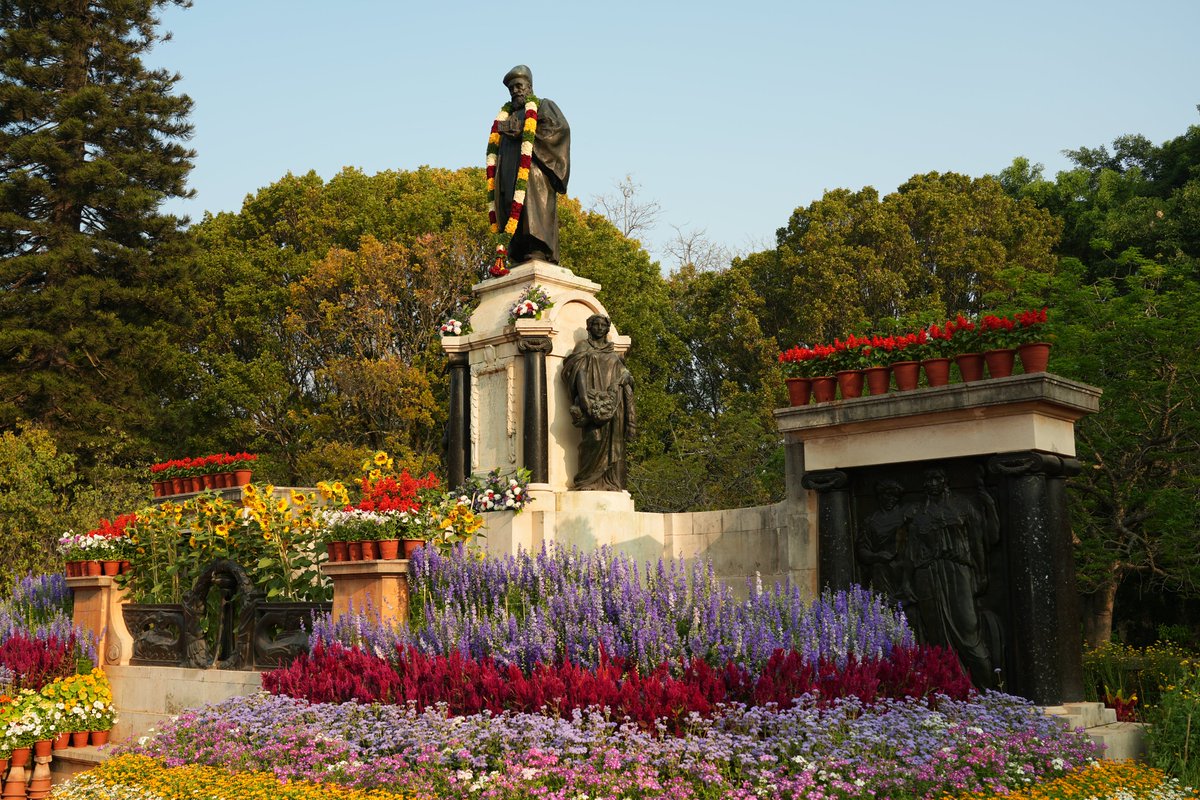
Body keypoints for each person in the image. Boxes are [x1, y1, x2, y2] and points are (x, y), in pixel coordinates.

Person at [903, 467, 999, 688]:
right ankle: (948, 689)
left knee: (968, 630)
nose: (932, 483)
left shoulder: (963, 505)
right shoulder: (918, 513)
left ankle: (989, 691)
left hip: (958, 572)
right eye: (928, 479)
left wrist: (981, 574)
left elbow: (982, 540)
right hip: (927, 575)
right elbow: (910, 551)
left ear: (946, 481)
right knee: (935, 633)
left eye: (936, 478)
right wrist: (907, 581)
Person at [491, 65, 570, 264]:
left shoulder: (543, 106)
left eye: (519, 86)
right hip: (509, 172)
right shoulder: (506, 116)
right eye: (511, 89)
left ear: (530, 87)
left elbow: (560, 129)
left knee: (531, 208)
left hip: (534, 172)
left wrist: (526, 133)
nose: (516, 91)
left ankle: (538, 249)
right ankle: (517, 249)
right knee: (510, 204)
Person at [562, 315, 636, 490]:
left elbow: (625, 373)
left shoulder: (612, 352)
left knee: (615, 443)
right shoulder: (583, 347)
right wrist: (585, 399)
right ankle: (587, 480)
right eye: (596, 324)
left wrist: (626, 376)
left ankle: (610, 481)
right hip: (593, 400)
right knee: (594, 438)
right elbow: (576, 372)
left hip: (614, 402)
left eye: (604, 325)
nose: (600, 328)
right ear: (589, 327)